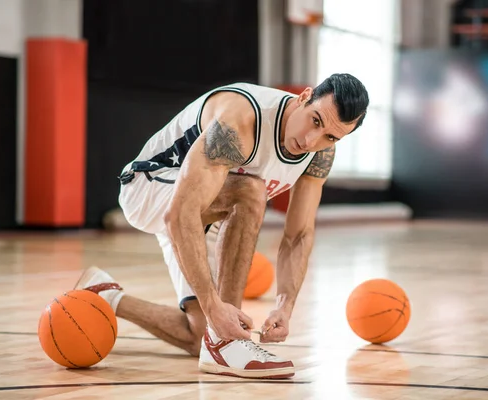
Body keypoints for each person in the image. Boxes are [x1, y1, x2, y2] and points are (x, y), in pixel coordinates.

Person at [74, 73, 369, 379]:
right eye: (315, 120)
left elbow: (299, 234)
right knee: (251, 191)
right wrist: (215, 306)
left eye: (331, 136)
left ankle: (103, 294)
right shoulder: (241, 118)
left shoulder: (320, 152)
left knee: (199, 334)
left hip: (208, 212)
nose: (312, 140)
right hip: (150, 188)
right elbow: (179, 214)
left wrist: (285, 305)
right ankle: (226, 345)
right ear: (304, 97)